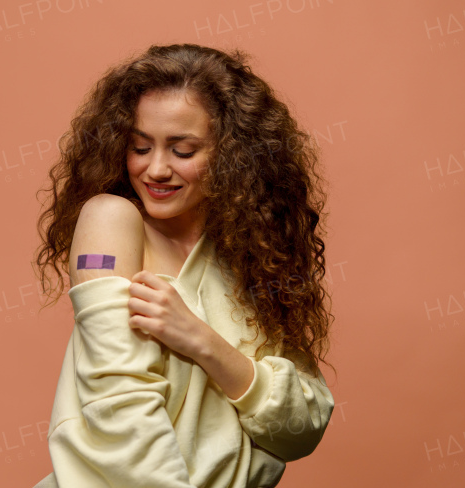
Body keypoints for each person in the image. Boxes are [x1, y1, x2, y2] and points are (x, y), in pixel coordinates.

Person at [31, 43, 336, 488]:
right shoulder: (111, 223)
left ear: (234, 156)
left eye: (183, 150)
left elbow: (302, 427)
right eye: (140, 146)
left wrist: (202, 341)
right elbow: (119, 408)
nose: (155, 169)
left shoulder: (253, 261)